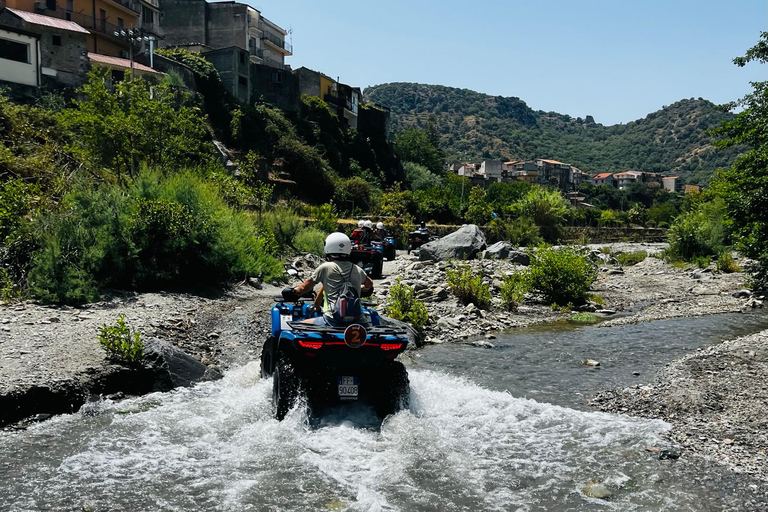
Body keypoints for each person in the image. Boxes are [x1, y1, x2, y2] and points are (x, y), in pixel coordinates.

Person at [283, 233, 373, 325]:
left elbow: (304, 288)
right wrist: (360, 287)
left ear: (328, 248)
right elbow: (369, 284)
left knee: (299, 325)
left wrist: (294, 291)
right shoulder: (357, 269)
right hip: (358, 320)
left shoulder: (325, 267)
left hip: (333, 320)